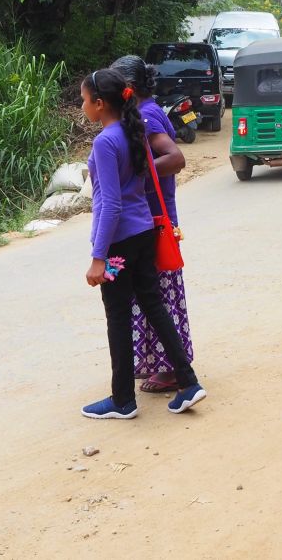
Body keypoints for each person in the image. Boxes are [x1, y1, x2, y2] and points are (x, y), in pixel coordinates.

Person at [80, 67, 205, 418]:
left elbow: (110, 203)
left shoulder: (105, 141)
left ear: (100, 104)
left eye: (84, 101)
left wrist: (98, 256)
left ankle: (122, 400)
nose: (83, 107)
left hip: (119, 242)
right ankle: (189, 382)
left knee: (118, 316)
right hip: (144, 233)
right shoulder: (132, 130)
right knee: (153, 306)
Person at [111, 54, 195, 395]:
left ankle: (175, 368)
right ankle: (162, 362)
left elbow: (175, 158)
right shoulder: (147, 112)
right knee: (150, 295)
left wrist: (134, 171)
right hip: (150, 217)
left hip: (154, 220)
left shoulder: (146, 115)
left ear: (128, 89)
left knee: (157, 296)